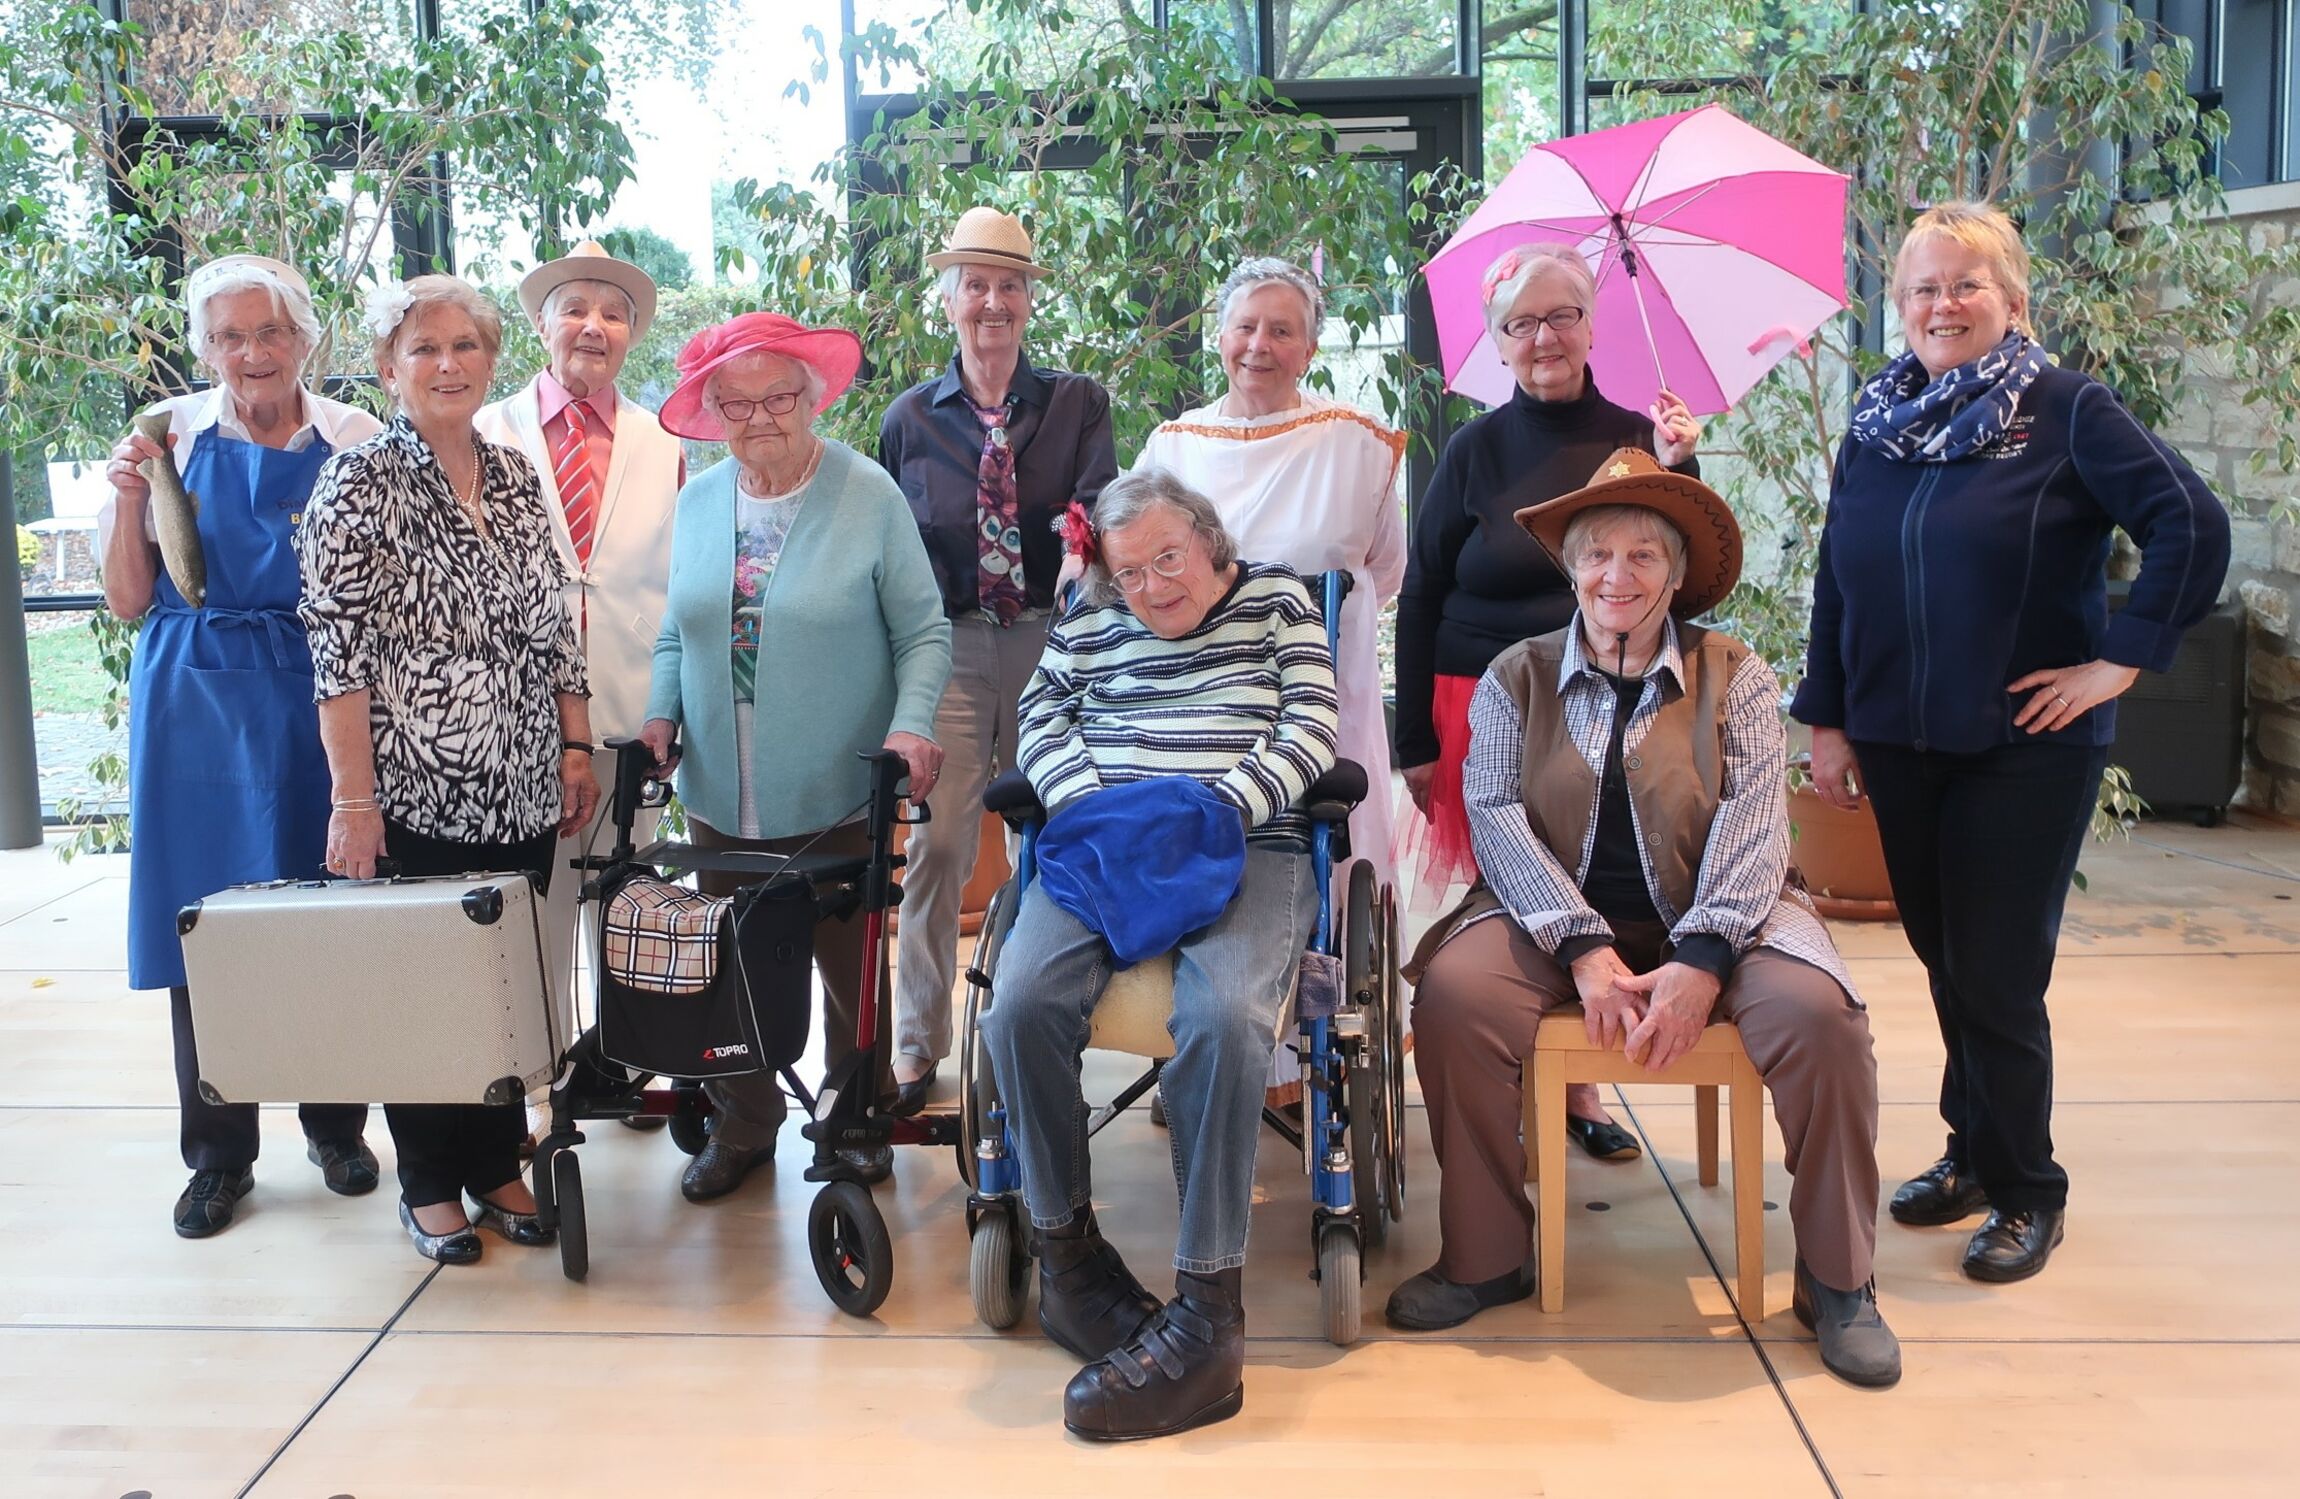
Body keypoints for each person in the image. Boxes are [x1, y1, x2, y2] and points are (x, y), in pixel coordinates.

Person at [1389, 450, 1900, 1388]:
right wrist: (1583, 949)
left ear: (1674, 575)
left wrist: (1703, 958)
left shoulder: (1733, 671)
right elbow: (1495, 815)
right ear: (1571, 568)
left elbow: (1755, 816)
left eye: (1642, 558)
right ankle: (1487, 1254)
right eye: (1596, 556)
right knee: (1456, 999)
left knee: (1819, 1017)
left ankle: (1837, 1278)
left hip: (1721, 915)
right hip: (1552, 915)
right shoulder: (1517, 674)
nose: (1616, 577)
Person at [1793, 201, 2230, 1284]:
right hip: (1898, 736)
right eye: (1920, 289)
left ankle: (2028, 1184)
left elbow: (2189, 519)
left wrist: (2118, 657)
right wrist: (1830, 713)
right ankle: (1971, 1151)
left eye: (1963, 284)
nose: (1941, 304)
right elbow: (1839, 575)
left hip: (2024, 741)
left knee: (1994, 969)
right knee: (1947, 960)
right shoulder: (1875, 422)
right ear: (1896, 307)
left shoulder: (2065, 409)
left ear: (2010, 298)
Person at [979, 468, 1337, 1440]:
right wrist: (1094, 801)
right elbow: (1042, 715)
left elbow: (1311, 723)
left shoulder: (1276, 602)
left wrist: (1216, 808)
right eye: (1129, 569)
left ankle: (1207, 1317)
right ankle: (1067, 1262)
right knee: (1016, 1003)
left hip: (1244, 838)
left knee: (1222, 1013)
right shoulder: (1091, 615)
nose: (1149, 586)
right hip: (1107, 837)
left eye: (1166, 558)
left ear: (1209, 543)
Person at [297, 274, 599, 1265]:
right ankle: (428, 1177)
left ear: (490, 360)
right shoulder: (355, 482)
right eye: (423, 348)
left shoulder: (513, 475)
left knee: (504, 981)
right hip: (415, 789)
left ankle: (494, 1157)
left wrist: (572, 738)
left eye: (465, 345)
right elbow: (336, 659)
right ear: (387, 367)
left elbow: (554, 616)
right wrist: (353, 800)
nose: (446, 364)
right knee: (427, 985)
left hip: (520, 780)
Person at [1392, 241, 1702, 1164]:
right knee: (1499, 895)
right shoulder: (1473, 449)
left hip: (1597, 701)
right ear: (1498, 342)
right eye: (1520, 323)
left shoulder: (1638, 440)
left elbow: (1684, 585)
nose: (1543, 337)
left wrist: (1682, 469)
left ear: (1593, 324)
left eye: (1560, 315)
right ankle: (1507, 1064)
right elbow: (1420, 592)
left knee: (1585, 879)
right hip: (1475, 699)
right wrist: (1413, 734)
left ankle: (1579, 1081)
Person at [98, 253, 383, 1239]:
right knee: (202, 929)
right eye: (228, 336)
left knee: (328, 912)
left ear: (307, 338)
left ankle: (337, 1125)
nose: (251, 353)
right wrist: (132, 495)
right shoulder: (164, 436)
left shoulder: (356, 437)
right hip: (197, 705)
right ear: (204, 347)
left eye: (269, 332)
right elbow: (131, 597)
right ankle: (219, 1154)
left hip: (321, 695)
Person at [641, 312, 950, 1202]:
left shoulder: (867, 493)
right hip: (715, 786)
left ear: (812, 396)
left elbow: (923, 630)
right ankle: (745, 1121)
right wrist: (662, 713)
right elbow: (676, 631)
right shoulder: (699, 501)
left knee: (847, 964)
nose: (760, 416)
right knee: (734, 962)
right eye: (735, 402)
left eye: (778, 395)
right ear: (713, 413)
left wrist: (913, 722)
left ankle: (858, 1115)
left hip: (837, 783)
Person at [879, 206, 1118, 1116]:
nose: (992, 301)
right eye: (975, 284)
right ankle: (915, 1045)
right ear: (948, 301)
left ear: (1028, 301)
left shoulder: (1076, 402)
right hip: (948, 645)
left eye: (1009, 285)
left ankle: (1031, 1027)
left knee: (1050, 835)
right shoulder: (909, 421)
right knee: (939, 842)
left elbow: (1096, 496)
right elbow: (892, 548)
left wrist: (1073, 546)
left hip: (1052, 636)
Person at [1133, 254, 1405, 883]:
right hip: (1197, 695)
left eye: (1282, 331)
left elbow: (1386, 569)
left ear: (1309, 349)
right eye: (1245, 327)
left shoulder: (1355, 443)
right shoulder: (1171, 446)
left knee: (1329, 858)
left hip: (1322, 691)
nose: (1260, 345)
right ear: (1221, 338)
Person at [475, 240, 682, 1040]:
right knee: (537, 903)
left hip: (635, 706)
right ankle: (543, 1067)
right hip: (520, 716)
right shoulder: (488, 432)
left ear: (631, 334)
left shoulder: (663, 440)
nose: (592, 326)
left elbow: (680, 577)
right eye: (574, 308)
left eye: (613, 313)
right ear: (542, 325)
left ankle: (622, 1057)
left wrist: (677, 705)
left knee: (629, 895)